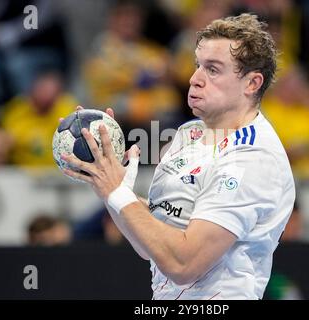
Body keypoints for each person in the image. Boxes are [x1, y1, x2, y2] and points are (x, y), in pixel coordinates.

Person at [62, 14, 295, 300]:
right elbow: (151, 246)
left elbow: (184, 264)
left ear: (251, 83)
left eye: (213, 69)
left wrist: (117, 193)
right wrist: (114, 190)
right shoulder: (188, 133)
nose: (194, 79)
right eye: (198, 65)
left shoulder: (252, 157)